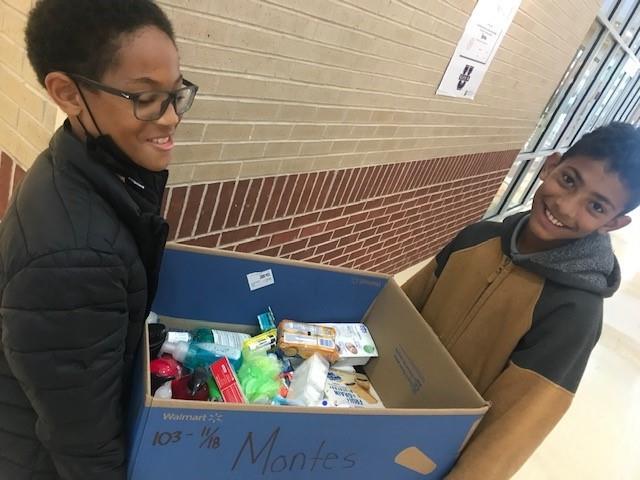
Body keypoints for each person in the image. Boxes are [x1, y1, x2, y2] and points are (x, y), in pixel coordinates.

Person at [0, 1, 198, 478]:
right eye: (144, 97)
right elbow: (83, 445)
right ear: (67, 93)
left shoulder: (87, 167)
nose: (170, 118)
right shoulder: (76, 258)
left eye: (176, 94)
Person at [402, 122, 640, 479]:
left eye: (595, 206)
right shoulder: (477, 237)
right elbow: (399, 313)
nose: (566, 206)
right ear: (551, 165)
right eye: (570, 180)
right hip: (375, 407)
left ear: (614, 224)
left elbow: (511, 434)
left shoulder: (574, 313)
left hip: (432, 461)